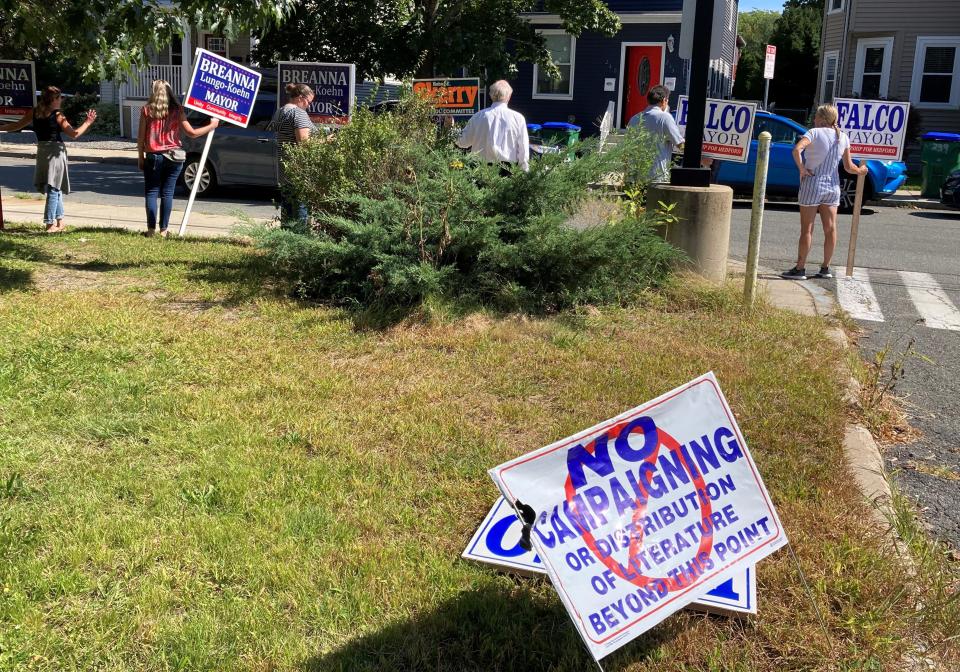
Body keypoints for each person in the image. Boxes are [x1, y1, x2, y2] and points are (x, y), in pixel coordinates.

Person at [781, 104, 867, 280]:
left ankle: (800, 268)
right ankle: (825, 267)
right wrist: (861, 170)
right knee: (830, 228)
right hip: (833, 185)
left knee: (807, 229)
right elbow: (849, 167)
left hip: (812, 183)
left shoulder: (813, 133)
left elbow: (797, 150)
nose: (814, 120)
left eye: (815, 117)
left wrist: (802, 168)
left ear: (821, 119)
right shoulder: (842, 137)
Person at [0, 86, 97, 232]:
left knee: (55, 186)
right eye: (59, 98)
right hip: (56, 151)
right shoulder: (58, 115)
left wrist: (1, 127)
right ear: (53, 99)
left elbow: (15, 126)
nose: (61, 100)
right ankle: (50, 224)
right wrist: (88, 122)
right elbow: (74, 134)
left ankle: (60, 222)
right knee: (54, 187)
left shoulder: (35, 112)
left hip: (42, 150)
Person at [137, 80, 219, 237]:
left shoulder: (147, 110)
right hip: (174, 157)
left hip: (153, 156)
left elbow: (141, 138)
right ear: (170, 92)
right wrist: (212, 125)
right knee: (168, 193)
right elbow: (192, 133)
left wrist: (140, 157)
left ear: (153, 92)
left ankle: (151, 230)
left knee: (152, 192)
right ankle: (164, 230)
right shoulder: (177, 110)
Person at [454, 80, 530, 172]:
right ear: (509, 96)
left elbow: (463, 142)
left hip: (480, 168)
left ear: (491, 95)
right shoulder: (518, 118)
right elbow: (523, 149)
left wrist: (451, 128)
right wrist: (524, 171)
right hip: (507, 169)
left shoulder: (478, 116)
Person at [270, 82, 316, 226]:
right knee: (300, 211)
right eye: (309, 102)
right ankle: (300, 244)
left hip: (284, 171)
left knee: (288, 212)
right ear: (301, 98)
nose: (309, 105)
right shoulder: (298, 113)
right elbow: (304, 144)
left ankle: (286, 243)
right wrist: (326, 141)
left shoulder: (280, 111)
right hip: (298, 172)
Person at [627, 85, 684, 183]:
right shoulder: (665, 118)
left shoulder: (634, 119)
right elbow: (680, 145)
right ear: (664, 100)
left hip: (635, 177)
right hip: (656, 177)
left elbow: (626, 150)